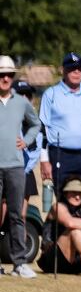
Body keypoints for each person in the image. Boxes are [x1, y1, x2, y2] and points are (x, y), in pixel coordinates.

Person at [0, 56, 42, 277]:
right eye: (1, 74)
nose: (5, 78)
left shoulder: (21, 102)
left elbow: (35, 124)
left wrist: (26, 140)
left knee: (16, 215)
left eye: (9, 74)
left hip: (16, 166)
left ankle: (19, 263)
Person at [39, 51, 81, 193]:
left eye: (79, 68)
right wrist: (44, 159)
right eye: (72, 69)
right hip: (61, 154)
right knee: (63, 200)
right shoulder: (51, 94)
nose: (76, 72)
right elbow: (42, 128)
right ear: (63, 70)